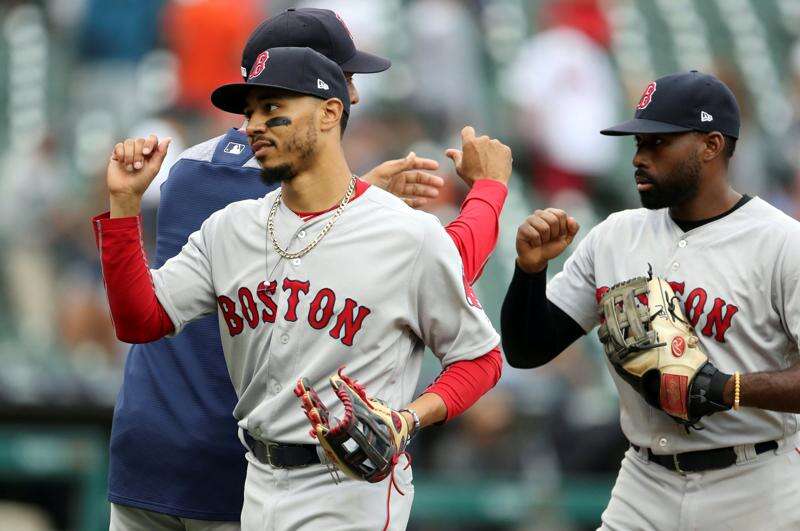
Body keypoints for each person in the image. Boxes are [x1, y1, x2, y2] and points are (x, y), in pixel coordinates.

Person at [106, 8, 511, 531]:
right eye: (346, 77)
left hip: (157, 451)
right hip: (235, 470)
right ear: (326, 102)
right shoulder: (250, 209)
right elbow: (435, 264)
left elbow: (406, 267)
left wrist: (361, 201)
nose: (357, 96)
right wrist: (487, 195)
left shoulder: (192, 169)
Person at [501, 70, 800, 529]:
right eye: (638, 143)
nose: (639, 158)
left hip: (755, 484)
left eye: (658, 144)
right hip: (644, 484)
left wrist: (724, 388)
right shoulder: (614, 237)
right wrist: (530, 271)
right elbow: (526, 350)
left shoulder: (781, 243)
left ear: (711, 145)